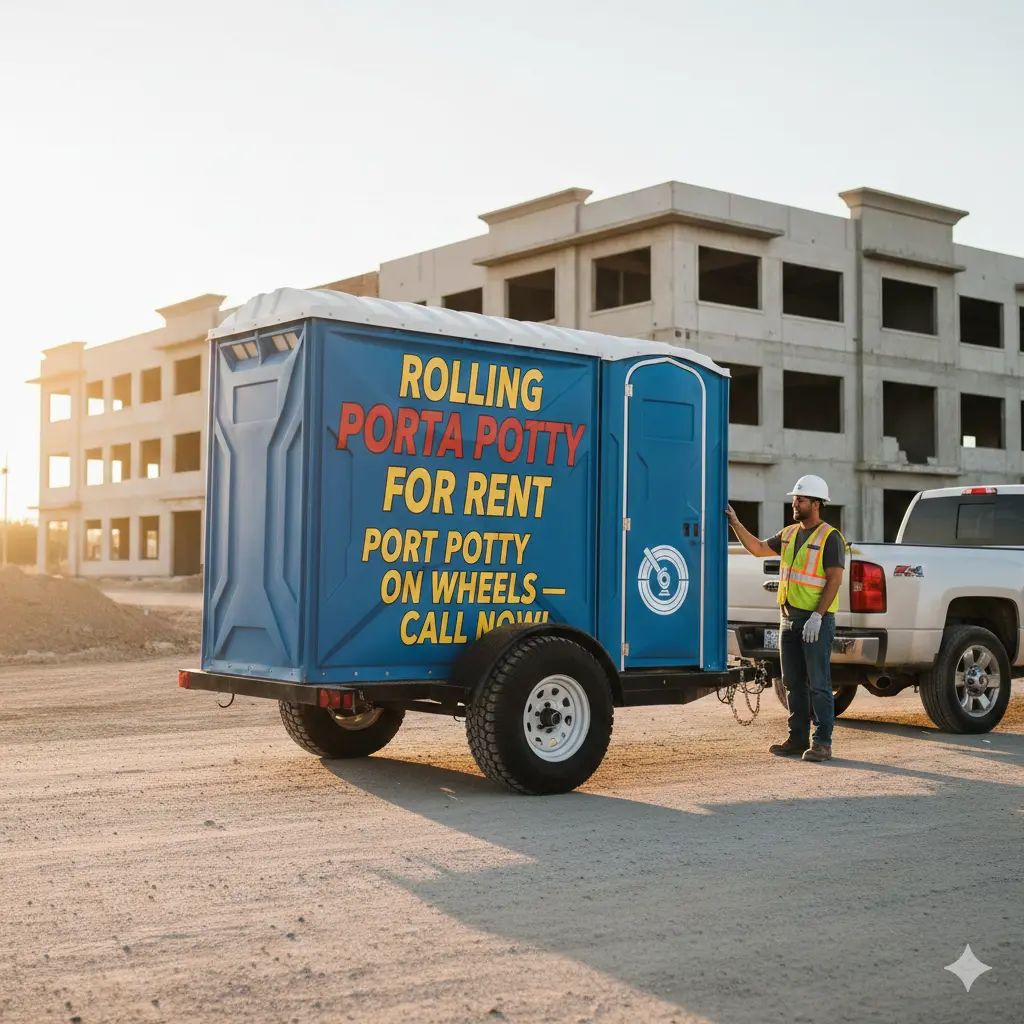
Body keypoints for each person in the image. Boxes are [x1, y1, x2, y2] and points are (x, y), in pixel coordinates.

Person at [726, 476, 846, 762]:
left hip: (816, 621)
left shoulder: (830, 538)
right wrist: (735, 523)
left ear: (816, 504)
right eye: (795, 499)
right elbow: (756, 549)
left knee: (819, 683)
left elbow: (834, 580)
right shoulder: (789, 534)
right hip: (788, 620)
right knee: (792, 683)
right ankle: (796, 739)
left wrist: (818, 617)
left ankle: (822, 743)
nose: (795, 503)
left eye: (800, 500)